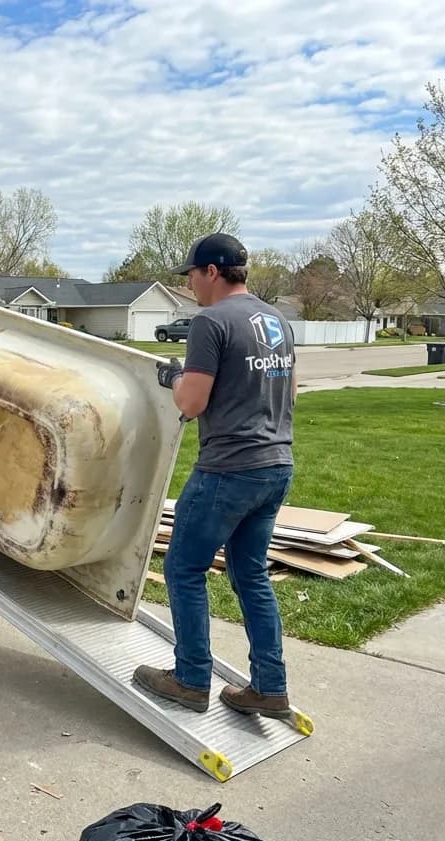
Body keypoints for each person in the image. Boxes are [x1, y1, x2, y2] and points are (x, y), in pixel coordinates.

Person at [132, 233, 297, 718]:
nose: (191, 287)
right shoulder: (276, 319)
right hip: (276, 464)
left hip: (227, 469)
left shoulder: (210, 322)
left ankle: (190, 679)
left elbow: (191, 402)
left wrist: (175, 377)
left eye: (192, 276)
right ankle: (269, 687)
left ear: (211, 272)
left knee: (183, 569)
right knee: (251, 575)